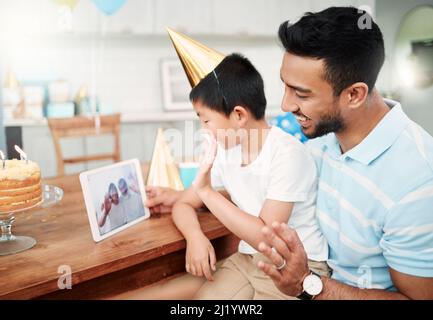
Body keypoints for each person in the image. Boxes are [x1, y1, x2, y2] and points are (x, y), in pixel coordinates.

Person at [254, 7, 433, 299]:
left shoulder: (418, 181)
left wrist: (308, 285)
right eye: (285, 87)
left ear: (354, 95)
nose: (286, 105)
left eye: (301, 94)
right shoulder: (319, 140)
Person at [171, 53, 329, 300]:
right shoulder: (227, 152)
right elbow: (183, 203)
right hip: (249, 260)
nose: (204, 130)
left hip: (297, 266)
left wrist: (206, 192)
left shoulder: (287, 154)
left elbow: (267, 237)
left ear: (239, 116)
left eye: (207, 121)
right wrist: (194, 237)